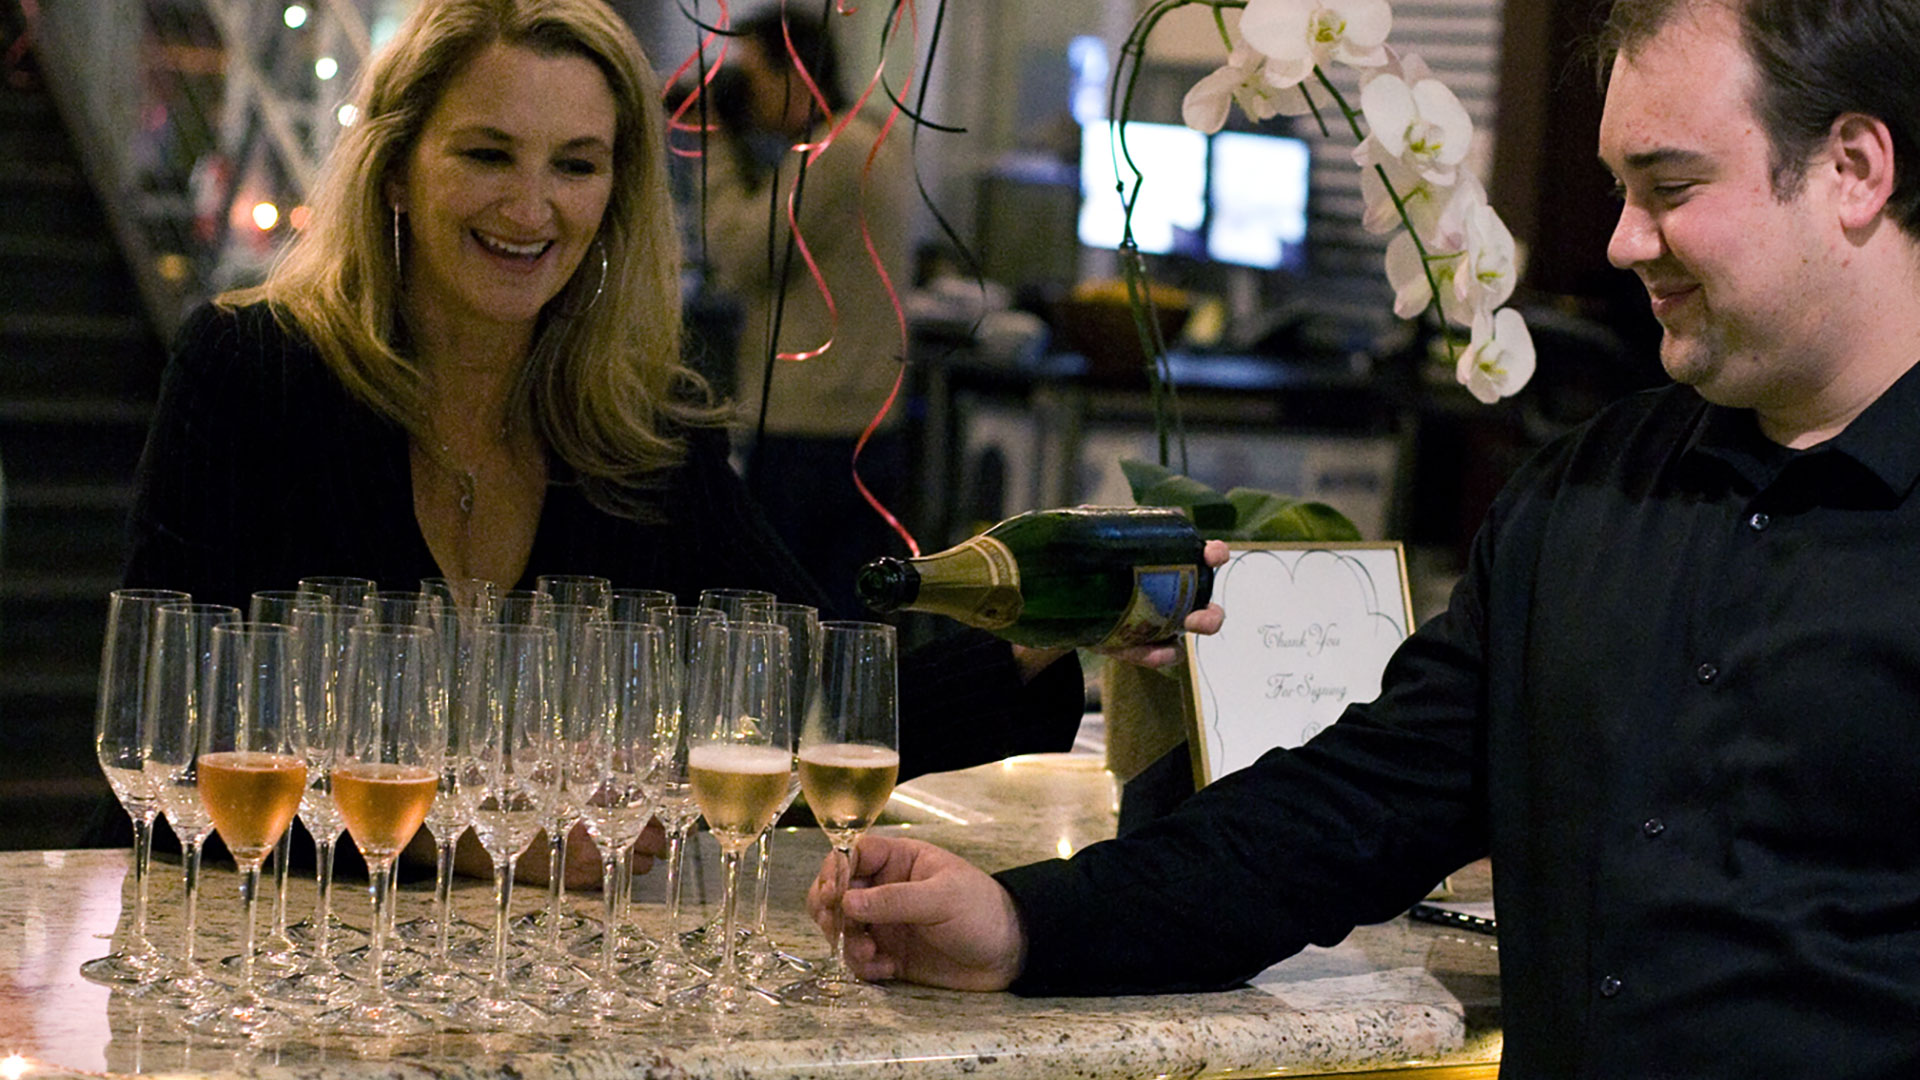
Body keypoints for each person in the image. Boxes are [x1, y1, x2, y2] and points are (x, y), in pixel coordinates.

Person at [806, 1, 1920, 1074]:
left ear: (1854, 171)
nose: (1627, 240)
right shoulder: (1585, 495)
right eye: (1622, 191)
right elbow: (1346, 810)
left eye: (1670, 186)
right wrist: (1018, 924)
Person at [121, 0, 1221, 871]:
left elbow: (813, 703)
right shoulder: (249, 371)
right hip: (248, 970)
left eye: (576, 164)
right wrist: (472, 851)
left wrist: (1055, 636)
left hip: (532, 996)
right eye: (488, 154)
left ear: (618, 191)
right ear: (400, 167)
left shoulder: (637, 426)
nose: (531, 207)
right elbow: (167, 759)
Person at [699, 8, 915, 615]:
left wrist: (715, 145)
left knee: (788, 618)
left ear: (794, 72)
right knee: (849, 620)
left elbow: (737, 252)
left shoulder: (830, 155)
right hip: (862, 424)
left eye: (752, 76)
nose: (743, 93)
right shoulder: (876, 134)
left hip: (811, 432)